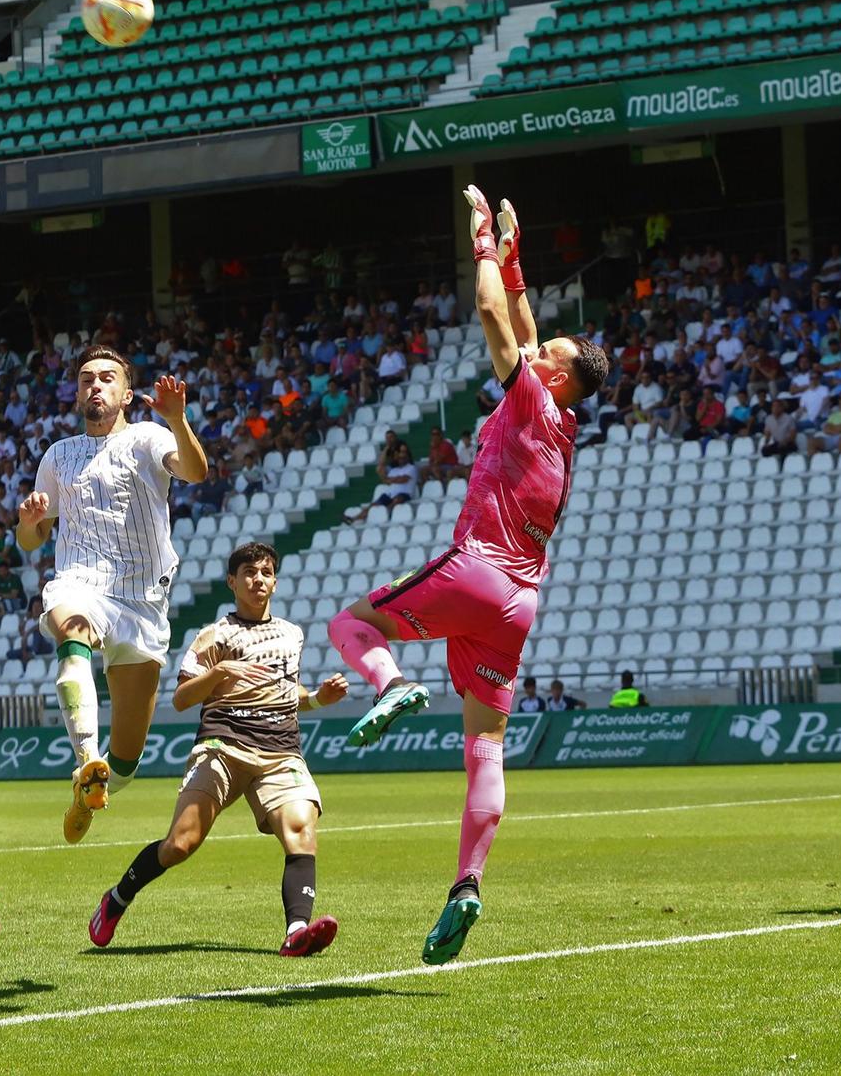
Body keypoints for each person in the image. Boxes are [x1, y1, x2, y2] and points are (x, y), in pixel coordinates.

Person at [327, 185, 607, 965]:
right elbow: (523, 322)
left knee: (351, 623)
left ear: (551, 377)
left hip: (478, 567)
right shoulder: (562, 419)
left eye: (548, 353)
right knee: (486, 745)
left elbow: (494, 320)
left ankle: (389, 684)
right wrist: (519, 260)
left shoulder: (528, 394)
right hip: (520, 604)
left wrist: (483, 245)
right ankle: (467, 885)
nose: (538, 344)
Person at [88, 542, 346, 956]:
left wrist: (316, 698)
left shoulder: (292, 634)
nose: (257, 579)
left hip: (279, 749)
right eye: (248, 572)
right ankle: (117, 898)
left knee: (301, 832)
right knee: (180, 844)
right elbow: (181, 698)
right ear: (231, 582)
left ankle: (297, 931)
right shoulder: (214, 635)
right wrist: (221, 672)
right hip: (222, 746)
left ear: (275, 582)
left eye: (265, 572)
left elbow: (284, 691)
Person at [15, 348, 207, 844]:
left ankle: (92, 788)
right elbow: (31, 541)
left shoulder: (149, 436)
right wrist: (29, 524)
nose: (94, 386)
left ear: (125, 393)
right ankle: (84, 760)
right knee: (71, 627)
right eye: (85, 380)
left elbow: (195, 471)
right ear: (77, 393)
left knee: (124, 763)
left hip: (143, 602)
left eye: (106, 379)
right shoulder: (57, 455)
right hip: (80, 583)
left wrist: (179, 420)